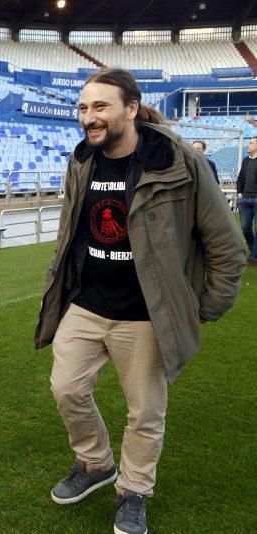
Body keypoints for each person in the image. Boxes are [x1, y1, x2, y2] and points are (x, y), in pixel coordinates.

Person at [34, 69, 245, 534]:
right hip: (86, 304)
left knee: (145, 413)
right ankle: (95, 463)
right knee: (66, 388)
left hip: (146, 315)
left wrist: (200, 307)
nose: (89, 117)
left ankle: (133, 491)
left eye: (101, 106)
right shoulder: (81, 161)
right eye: (84, 107)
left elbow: (227, 248)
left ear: (130, 109)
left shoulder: (179, 163)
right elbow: (71, 232)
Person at [235, 136, 257, 267]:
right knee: (245, 228)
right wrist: (239, 193)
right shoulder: (245, 161)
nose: (248, 145)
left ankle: (254, 257)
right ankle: (254, 251)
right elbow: (240, 178)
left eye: (251, 143)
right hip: (244, 199)